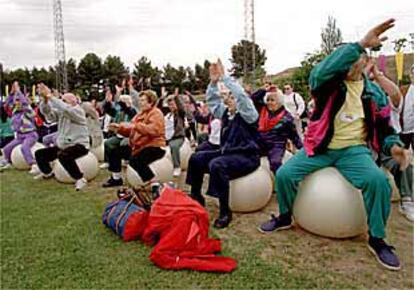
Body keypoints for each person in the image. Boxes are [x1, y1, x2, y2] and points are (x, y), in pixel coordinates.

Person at [258, 19, 411, 271]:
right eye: (344, 58)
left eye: (355, 58)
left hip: (354, 151)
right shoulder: (327, 86)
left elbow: (385, 130)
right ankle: (285, 216)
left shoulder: (374, 93)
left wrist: (393, 147)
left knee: (379, 182)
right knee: (284, 174)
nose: (349, 64)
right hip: (320, 148)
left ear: (364, 61)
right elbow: (318, 73)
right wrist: (360, 43)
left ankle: (377, 239)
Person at [186, 59, 260, 229]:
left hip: (247, 156)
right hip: (228, 152)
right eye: (228, 96)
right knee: (196, 158)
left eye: (232, 96)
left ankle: (225, 212)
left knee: (217, 165)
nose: (230, 99)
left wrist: (224, 77)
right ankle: (196, 196)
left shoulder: (249, 114)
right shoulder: (226, 113)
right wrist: (213, 82)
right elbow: (212, 101)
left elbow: (242, 96)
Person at [366, 61, 414, 221]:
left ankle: (406, 200)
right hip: (367, 144)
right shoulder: (361, 103)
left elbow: (395, 94)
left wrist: (378, 75)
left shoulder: (388, 102)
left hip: (389, 142)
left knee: (403, 161)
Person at [103, 90, 166, 195]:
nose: (140, 103)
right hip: (138, 146)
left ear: (150, 102)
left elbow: (154, 130)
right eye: (140, 100)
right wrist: (118, 129)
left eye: (143, 100)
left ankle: (155, 184)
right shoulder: (139, 115)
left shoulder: (156, 113)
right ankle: (116, 178)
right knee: (114, 151)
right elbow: (131, 131)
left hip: (155, 146)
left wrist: (135, 126)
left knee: (136, 160)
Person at [34, 84, 90, 191]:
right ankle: (47, 173)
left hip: (80, 145)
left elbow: (66, 109)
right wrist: (45, 100)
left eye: (64, 100)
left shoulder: (78, 111)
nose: (61, 102)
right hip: (64, 145)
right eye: (61, 100)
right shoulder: (62, 113)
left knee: (63, 155)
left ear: (74, 102)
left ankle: (80, 178)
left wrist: (50, 96)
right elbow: (47, 113)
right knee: (40, 154)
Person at [251, 86, 303, 172]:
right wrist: (264, 90)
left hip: (276, 145)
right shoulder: (263, 109)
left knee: (275, 163)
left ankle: (280, 183)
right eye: (268, 100)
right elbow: (253, 98)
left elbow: (294, 136)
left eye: (272, 100)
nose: (269, 102)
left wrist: (303, 150)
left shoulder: (287, 117)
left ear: (279, 102)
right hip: (260, 143)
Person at [0, 81, 39, 173]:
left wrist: (18, 91)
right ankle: (8, 162)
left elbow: (25, 103)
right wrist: (11, 93)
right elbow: (6, 104)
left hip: (30, 135)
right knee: (6, 149)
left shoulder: (28, 110)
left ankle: (33, 164)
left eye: (19, 101)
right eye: (16, 101)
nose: (17, 103)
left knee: (24, 147)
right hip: (19, 136)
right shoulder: (14, 112)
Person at [100, 92, 137, 170]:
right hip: (119, 135)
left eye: (121, 102)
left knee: (124, 143)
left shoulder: (133, 110)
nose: (118, 104)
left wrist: (122, 102)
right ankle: (107, 162)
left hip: (129, 135)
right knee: (108, 143)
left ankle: (127, 160)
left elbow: (128, 111)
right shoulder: (119, 111)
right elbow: (109, 111)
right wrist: (108, 102)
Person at [163, 90, 187, 177]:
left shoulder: (180, 114)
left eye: (173, 104)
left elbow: (181, 108)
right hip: (166, 137)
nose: (171, 106)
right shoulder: (168, 115)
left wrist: (176, 97)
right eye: (170, 105)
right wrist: (163, 97)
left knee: (174, 146)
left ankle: (177, 166)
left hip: (177, 137)